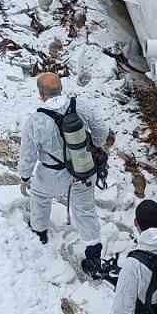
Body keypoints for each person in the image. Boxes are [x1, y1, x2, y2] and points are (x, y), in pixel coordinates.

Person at [17, 71, 110, 278]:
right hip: (83, 170)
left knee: (40, 196)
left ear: (41, 94)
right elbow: (102, 132)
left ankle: (39, 232)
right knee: (85, 210)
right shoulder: (81, 106)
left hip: (52, 174)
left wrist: (24, 177)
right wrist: (92, 147)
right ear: (61, 89)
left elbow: (28, 155)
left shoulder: (36, 120)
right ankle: (93, 255)